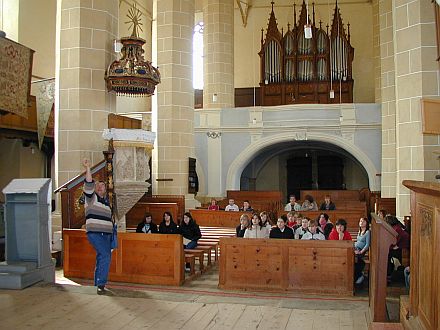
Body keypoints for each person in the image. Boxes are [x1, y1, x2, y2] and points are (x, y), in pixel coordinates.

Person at [82, 158, 113, 295]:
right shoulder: (91, 198)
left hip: (106, 235)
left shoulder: (106, 203)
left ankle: (97, 283)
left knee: (101, 257)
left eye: (103, 186)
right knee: (105, 256)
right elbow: (88, 182)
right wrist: (88, 168)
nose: (100, 187)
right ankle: (101, 284)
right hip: (95, 233)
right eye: (98, 186)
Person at [354, 217, 371, 284]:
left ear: (367, 224)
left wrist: (361, 252)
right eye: (360, 221)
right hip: (355, 248)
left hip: (361, 250)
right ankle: (359, 275)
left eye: (363, 221)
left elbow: (367, 245)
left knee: (358, 262)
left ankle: (360, 275)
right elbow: (357, 241)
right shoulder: (359, 231)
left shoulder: (367, 232)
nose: (361, 222)